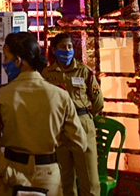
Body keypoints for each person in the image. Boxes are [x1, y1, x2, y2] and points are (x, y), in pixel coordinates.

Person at [0, 32, 86, 196]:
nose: (4, 63)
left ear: (18, 61)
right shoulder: (60, 95)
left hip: (11, 172)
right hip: (48, 175)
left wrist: (9, 173)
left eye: (6, 57)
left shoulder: (0, 95)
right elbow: (79, 143)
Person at [42, 33, 104, 196]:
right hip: (59, 129)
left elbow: (98, 101)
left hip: (82, 125)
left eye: (69, 47)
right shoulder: (46, 75)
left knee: (89, 181)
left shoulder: (85, 72)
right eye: (62, 47)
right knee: (64, 180)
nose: (67, 50)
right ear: (54, 50)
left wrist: (86, 118)